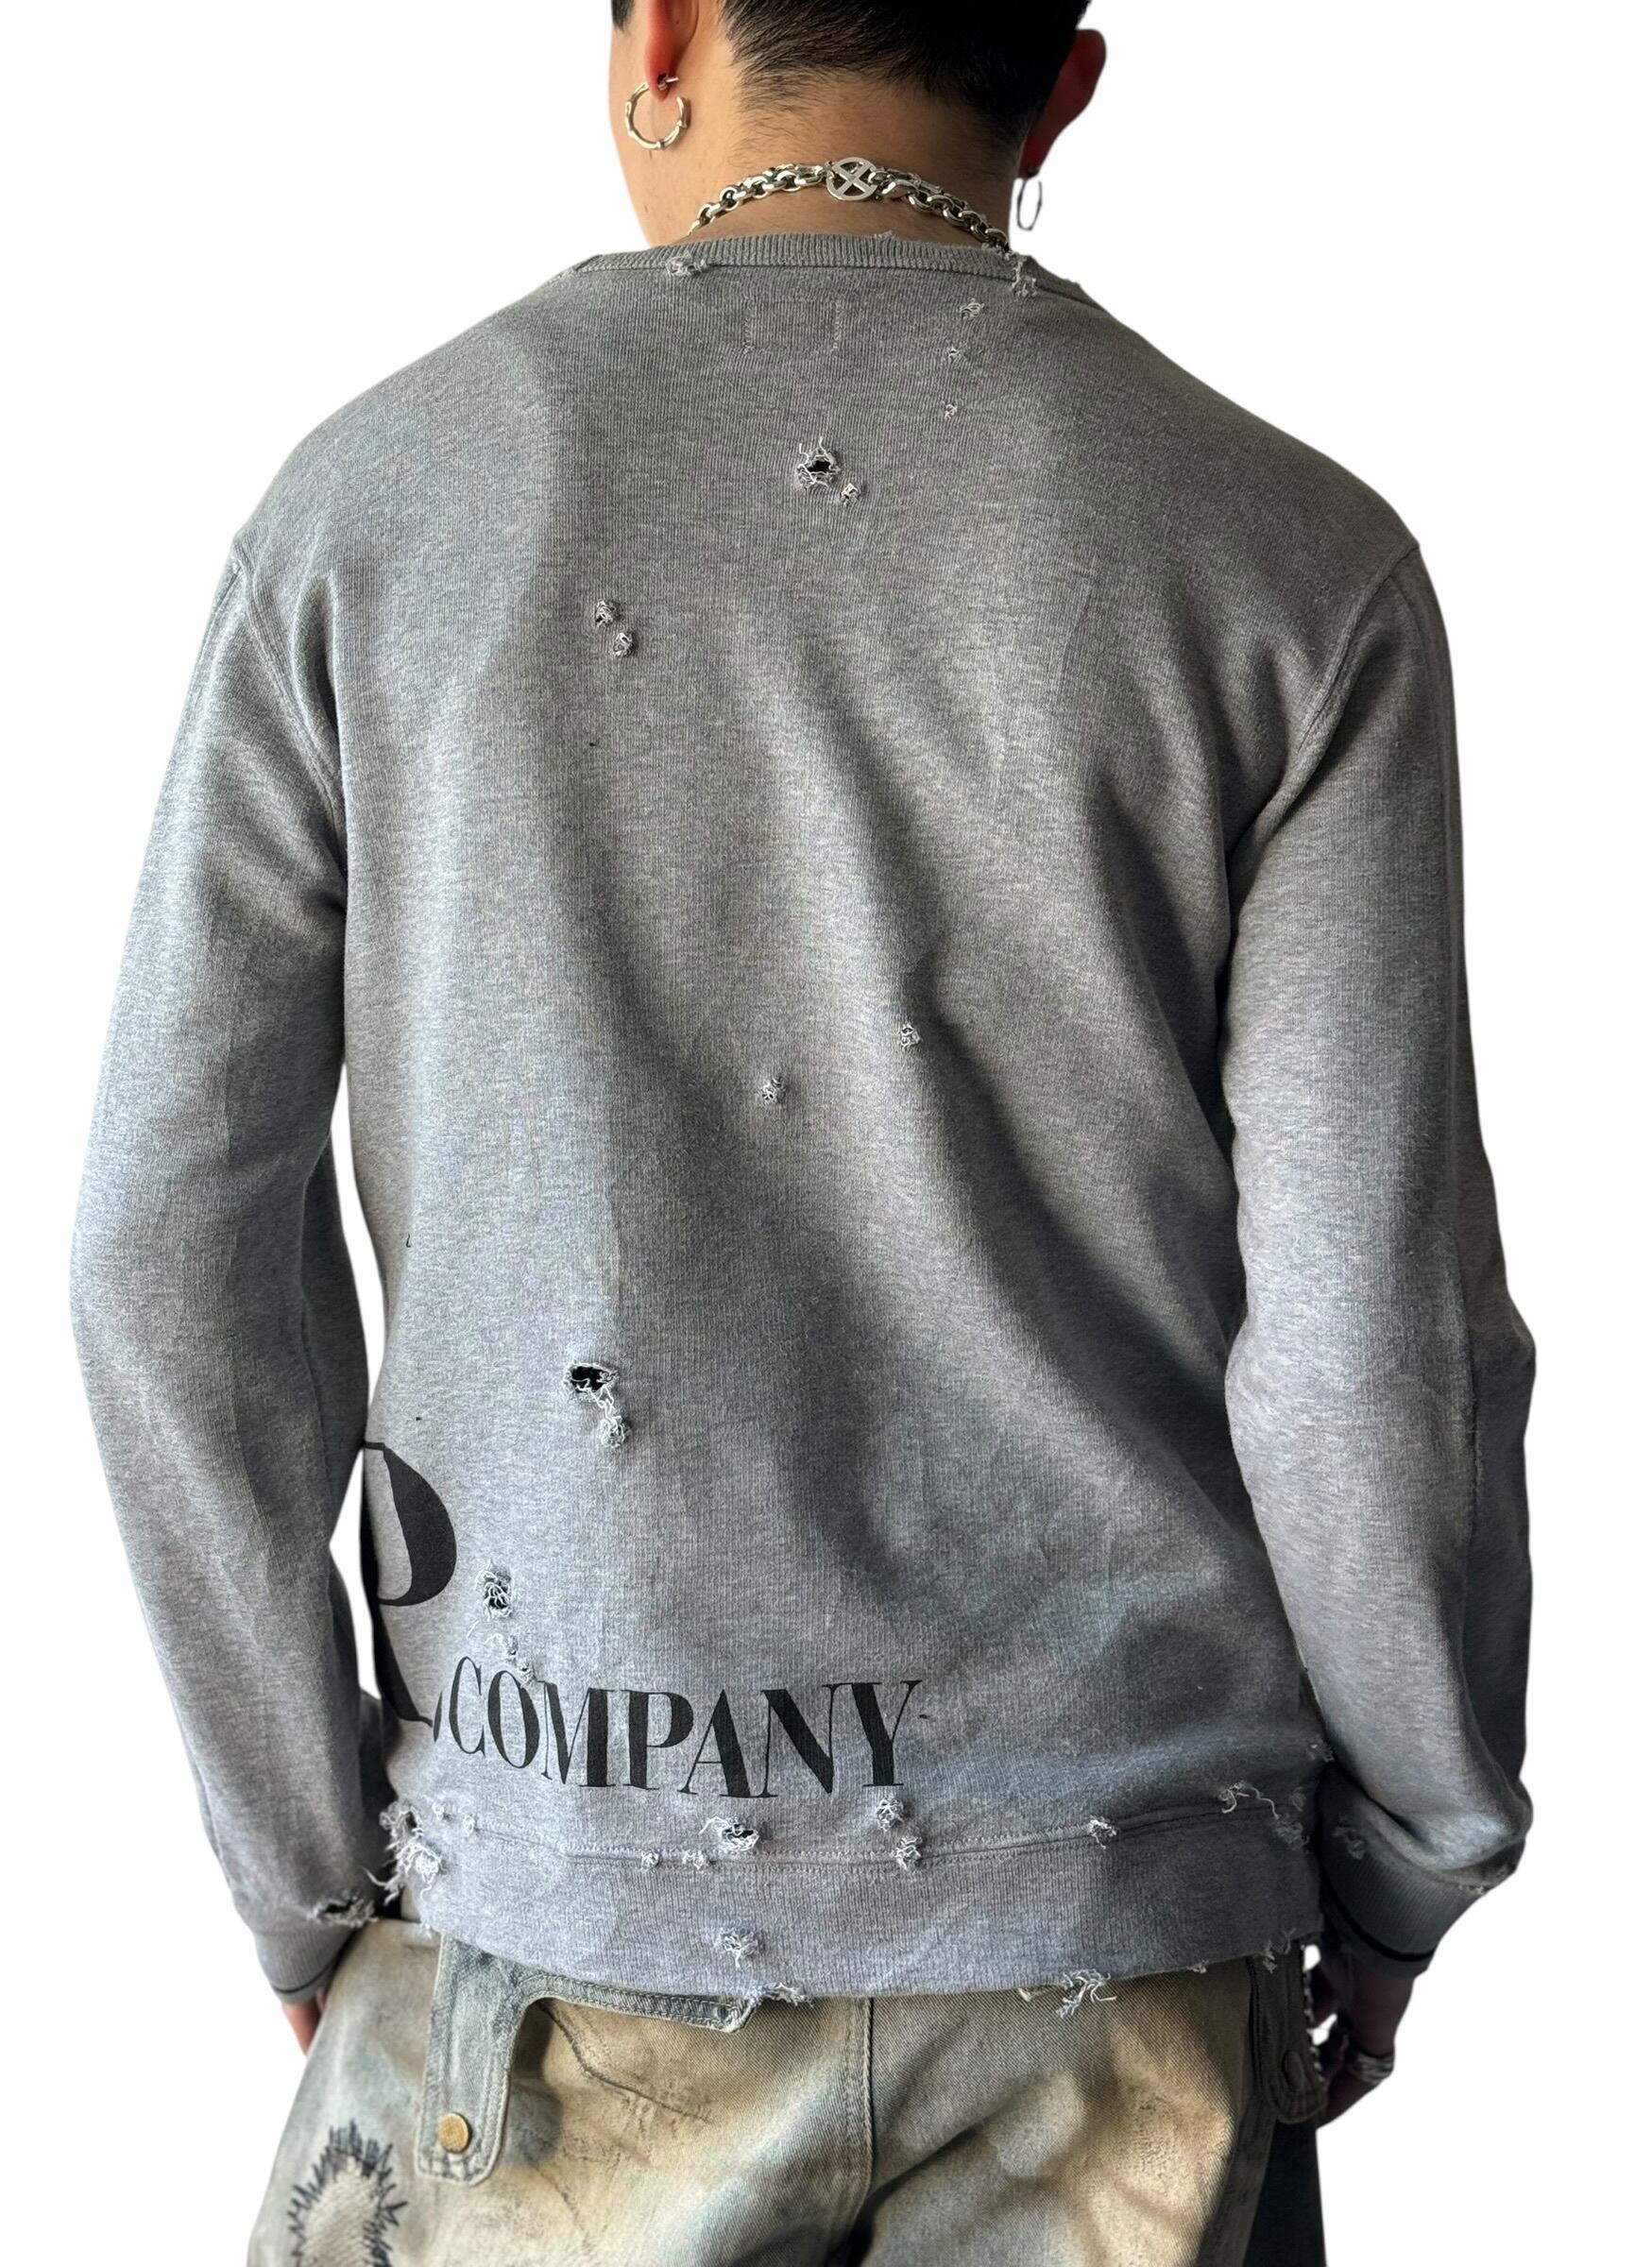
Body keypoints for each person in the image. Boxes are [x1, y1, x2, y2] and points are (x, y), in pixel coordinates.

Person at [67, 3, 1536, 2260]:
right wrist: (1411, 1845)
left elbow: (171, 1258)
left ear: (656, 33)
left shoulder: (370, 513)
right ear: (1062, 84)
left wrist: (306, 1871)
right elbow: (1367, 1346)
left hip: (546, 1942)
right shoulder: (1292, 559)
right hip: (1121, 1960)